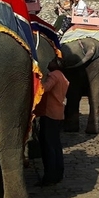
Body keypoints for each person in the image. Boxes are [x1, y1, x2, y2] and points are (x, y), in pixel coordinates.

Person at [34, 58, 69, 186]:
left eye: (52, 61)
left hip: (49, 113)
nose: (49, 62)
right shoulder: (62, 76)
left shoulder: (53, 75)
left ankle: (49, 176)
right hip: (58, 113)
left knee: (47, 146)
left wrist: (36, 80)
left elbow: (45, 88)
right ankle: (58, 173)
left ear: (57, 65)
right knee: (56, 145)